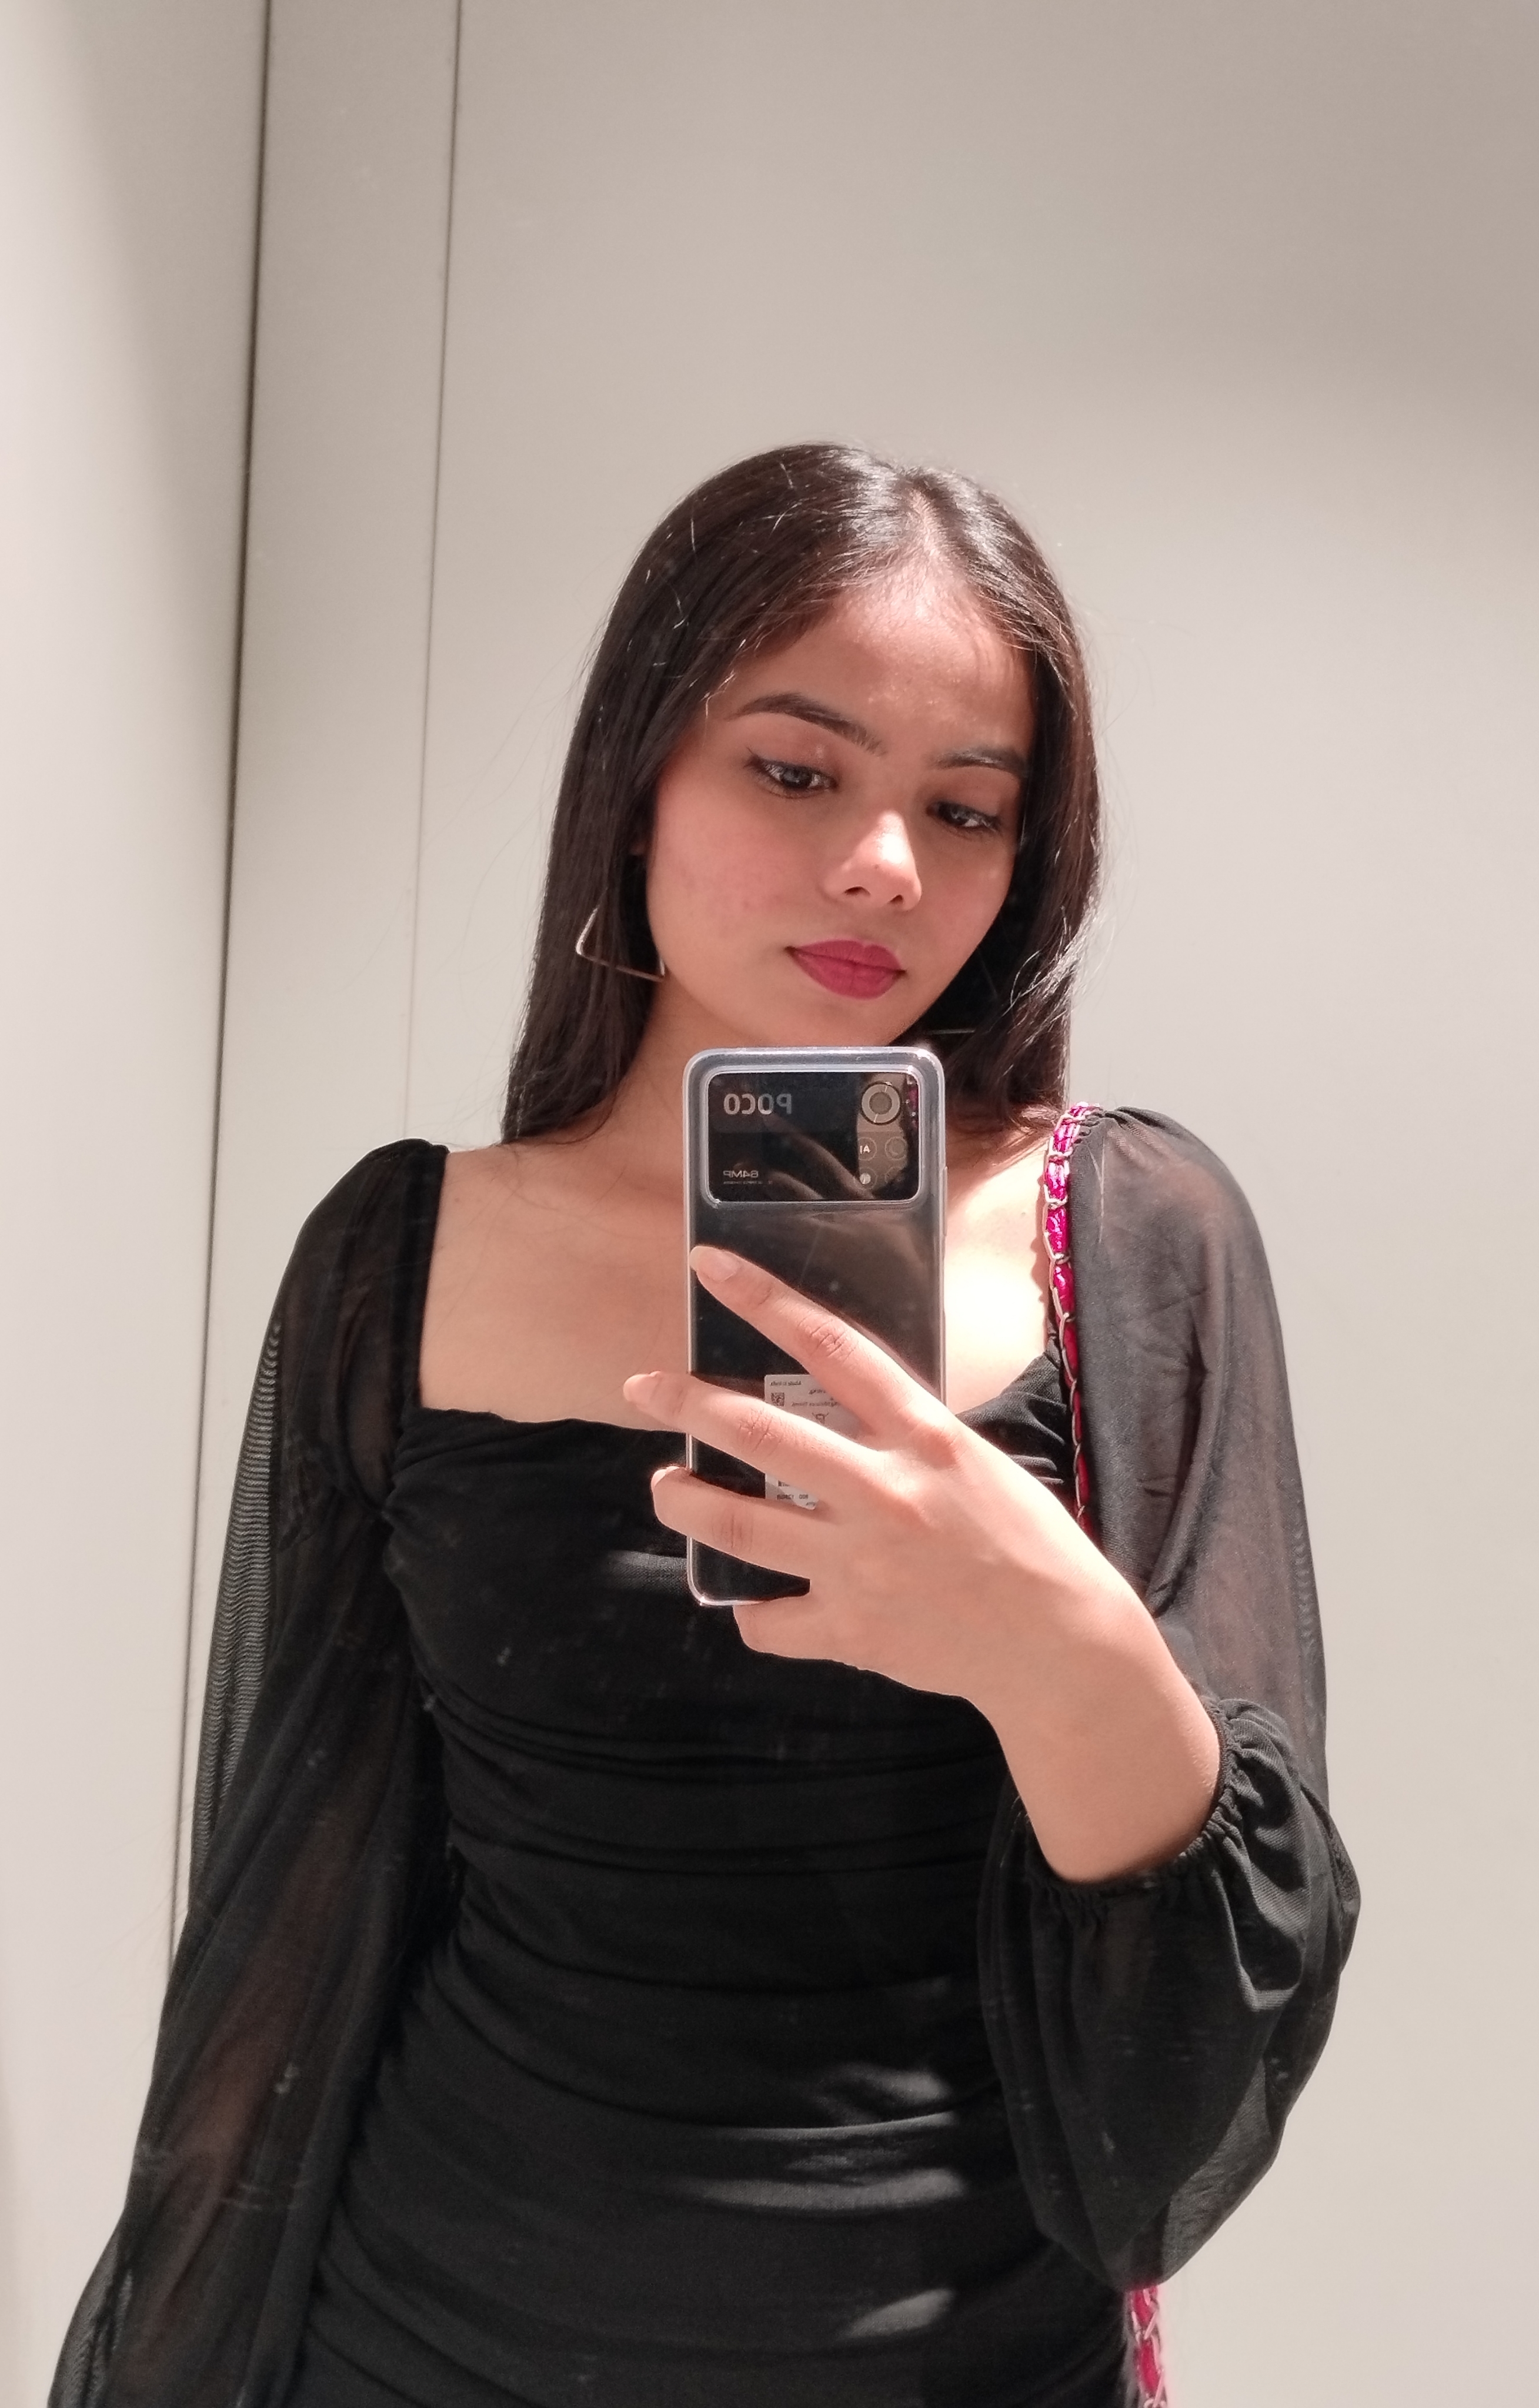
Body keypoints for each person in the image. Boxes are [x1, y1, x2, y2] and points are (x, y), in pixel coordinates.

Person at [54, 445, 1358, 2408]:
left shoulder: (1132, 1233)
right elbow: (296, 1879)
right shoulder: (402, 1247)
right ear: (638, 777)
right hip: (420, 2330)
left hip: (957, 2351)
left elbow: (1201, 2049)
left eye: (966, 807)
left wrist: (1045, 1638)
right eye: (796, 770)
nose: (886, 866)